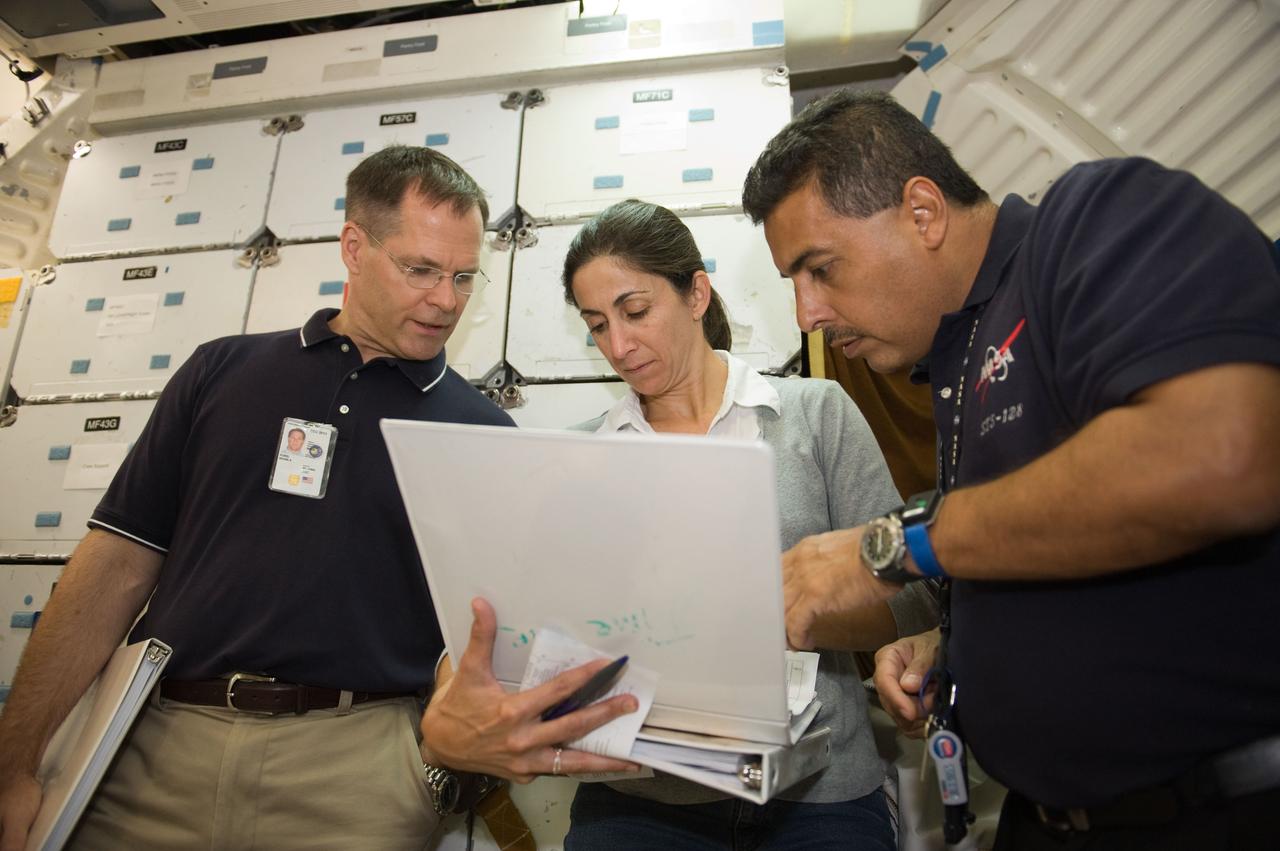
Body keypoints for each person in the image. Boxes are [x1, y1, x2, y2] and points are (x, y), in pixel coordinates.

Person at [0, 145, 638, 851]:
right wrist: (12, 764)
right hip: (153, 755)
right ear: (354, 247)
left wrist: (426, 768)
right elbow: (112, 569)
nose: (447, 300)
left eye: (463, 277)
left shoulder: (482, 434)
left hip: (356, 780)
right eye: (420, 270)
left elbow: (496, 636)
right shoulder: (222, 372)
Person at [740, 88, 1280, 849]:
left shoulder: (1095, 220)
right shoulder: (955, 355)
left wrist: (896, 544)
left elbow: (1225, 451)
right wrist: (963, 638)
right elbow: (1059, 532)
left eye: (820, 268)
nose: (806, 313)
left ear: (923, 212)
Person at [558, 199, 939, 850]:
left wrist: (785, 609)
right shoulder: (581, 456)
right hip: (642, 797)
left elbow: (911, 599)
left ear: (696, 292)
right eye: (596, 324)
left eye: (635, 311)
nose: (617, 345)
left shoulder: (813, 414)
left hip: (817, 791)